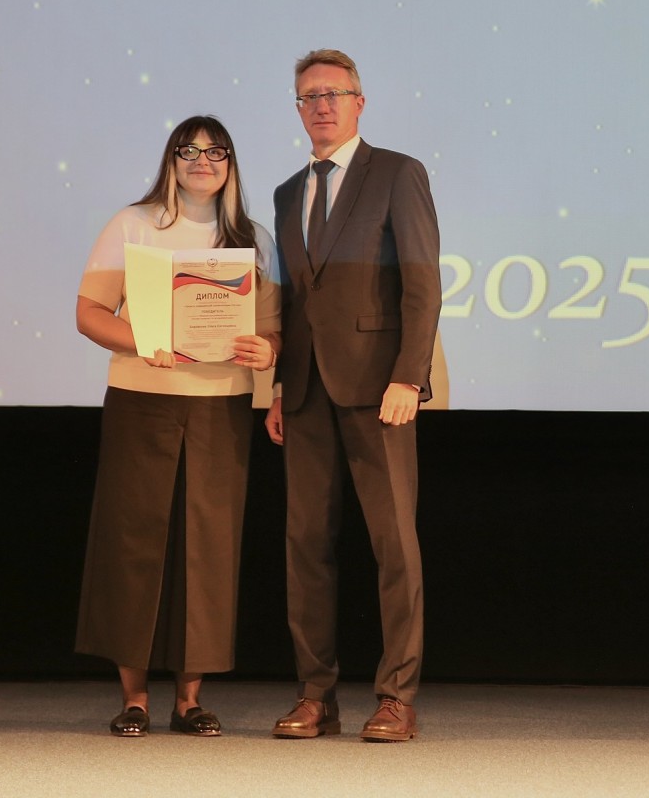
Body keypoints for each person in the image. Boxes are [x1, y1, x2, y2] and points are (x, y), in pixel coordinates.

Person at [74, 115, 280, 738]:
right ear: (171, 160)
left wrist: (267, 352)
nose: (202, 162)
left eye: (216, 152)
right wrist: (144, 342)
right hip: (142, 401)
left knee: (208, 548)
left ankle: (189, 700)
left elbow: (274, 330)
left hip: (221, 406)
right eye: (188, 151)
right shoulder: (133, 224)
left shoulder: (253, 239)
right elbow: (89, 313)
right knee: (133, 542)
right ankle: (134, 698)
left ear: (231, 164)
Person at [265, 49, 441, 743]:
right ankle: (316, 696)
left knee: (393, 543)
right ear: (298, 109)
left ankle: (397, 697)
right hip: (306, 391)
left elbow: (422, 284)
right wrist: (280, 387)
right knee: (306, 544)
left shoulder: (397, 173)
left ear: (359, 103)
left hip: (379, 388)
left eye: (334, 94)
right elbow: (293, 302)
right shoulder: (287, 193)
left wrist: (409, 376)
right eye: (309, 96)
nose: (322, 106)